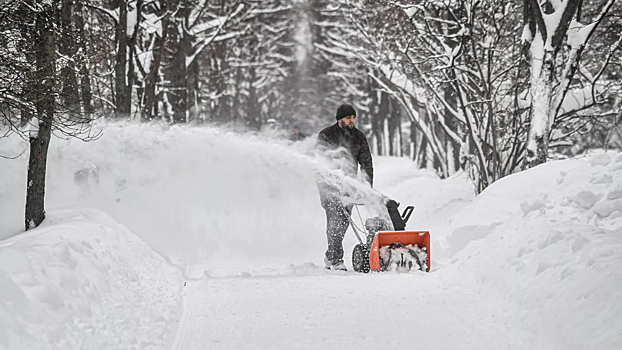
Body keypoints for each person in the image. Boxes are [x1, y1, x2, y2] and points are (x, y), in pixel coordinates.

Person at [315, 103, 373, 271]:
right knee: (334, 220)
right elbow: (321, 160)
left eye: (354, 117)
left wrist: (367, 185)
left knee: (344, 221)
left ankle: (330, 255)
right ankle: (336, 259)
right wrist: (333, 176)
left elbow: (366, 163)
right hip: (328, 185)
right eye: (348, 118)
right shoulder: (326, 135)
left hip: (349, 185)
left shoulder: (359, 137)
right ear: (340, 119)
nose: (352, 120)